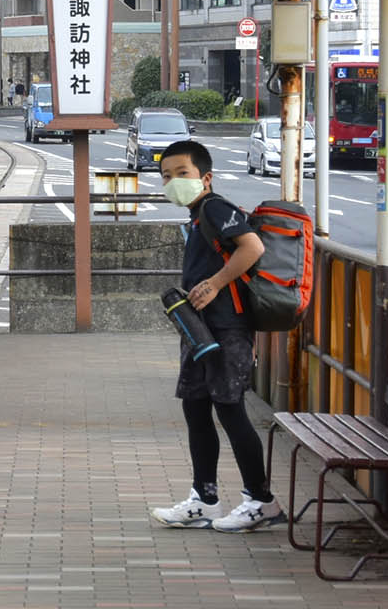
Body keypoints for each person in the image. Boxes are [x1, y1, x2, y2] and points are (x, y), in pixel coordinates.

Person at [148, 139, 285, 533]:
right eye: (167, 176)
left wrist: (215, 283)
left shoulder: (214, 207)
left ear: (205, 177)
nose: (173, 182)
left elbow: (252, 247)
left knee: (229, 409)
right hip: (200, 328)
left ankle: (261, 501)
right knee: (195, 407)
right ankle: (203, 499)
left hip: (228, 327)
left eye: (182, 174)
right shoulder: (195, 215)